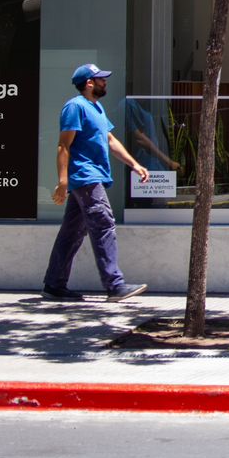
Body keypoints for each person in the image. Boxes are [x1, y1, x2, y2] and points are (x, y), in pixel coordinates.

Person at [42, 63, 150, 302]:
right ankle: (115, 285)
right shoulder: (75, 107)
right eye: (101, 79)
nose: (105, 81)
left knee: (72, 232)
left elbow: (110, 140)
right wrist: (62, 181)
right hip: (85, 176)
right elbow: (63, 145)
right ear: (89, 83)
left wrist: (134, 164)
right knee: (104, 224)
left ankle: (54, 285)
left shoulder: (97, 108)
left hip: (93, 176)